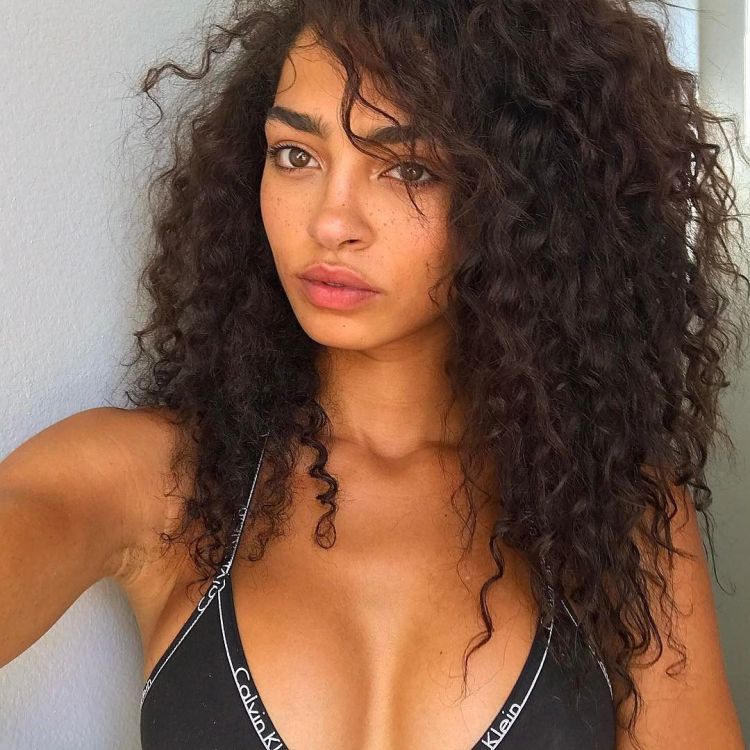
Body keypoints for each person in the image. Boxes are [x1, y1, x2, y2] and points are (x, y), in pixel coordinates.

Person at [1, 0, 747, 748]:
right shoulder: (164, 482)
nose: (331, 222)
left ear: (525, 205)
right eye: (296, 155)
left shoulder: (619, 520)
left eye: (409, 168)